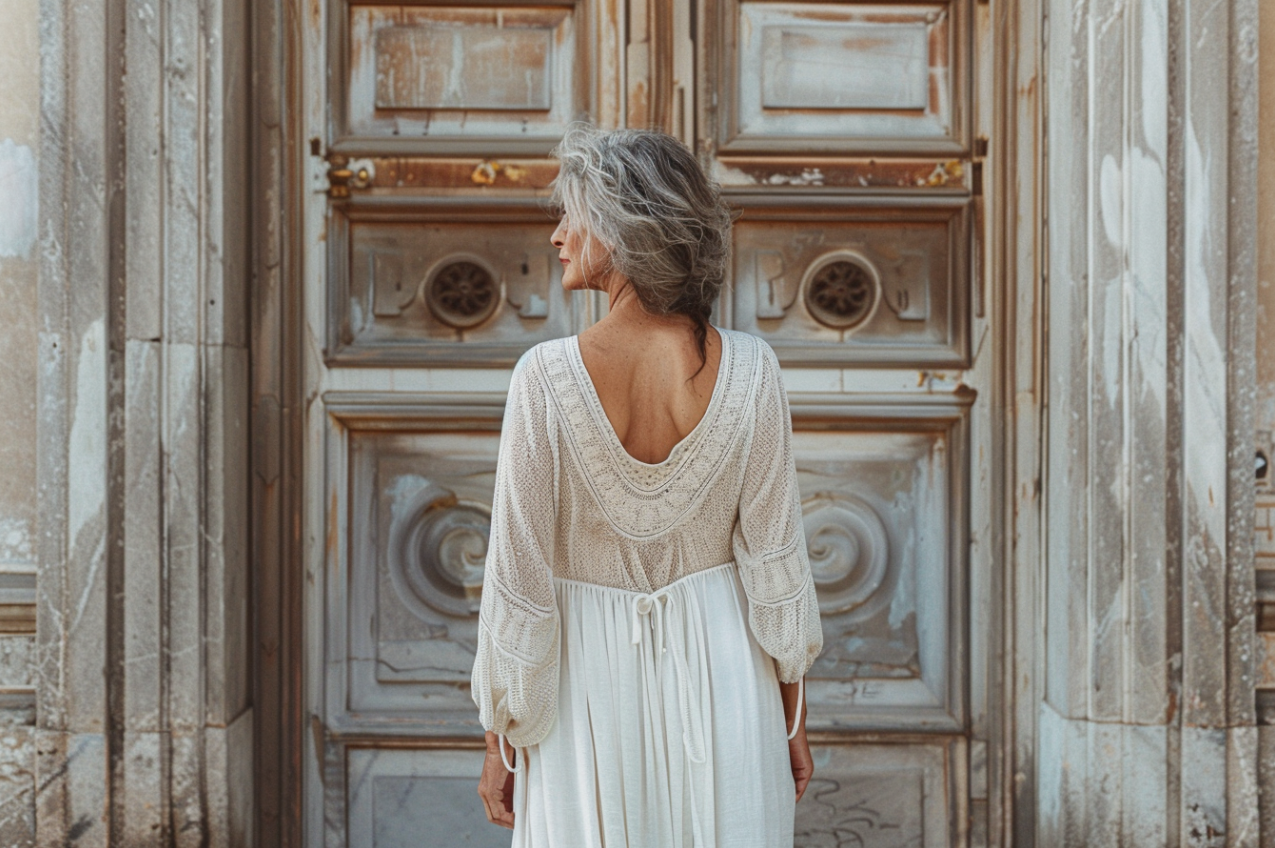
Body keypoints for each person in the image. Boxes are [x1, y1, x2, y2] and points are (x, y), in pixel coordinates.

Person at [471, 125, 823, 847]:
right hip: (730, 684)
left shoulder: (544, 378)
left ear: (620, 225)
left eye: (572, 215)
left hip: (584, 695)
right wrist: (791, 718)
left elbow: (520, 581)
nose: (559, 236)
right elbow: (774, 565)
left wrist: (499, 741)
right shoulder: (753, 371)